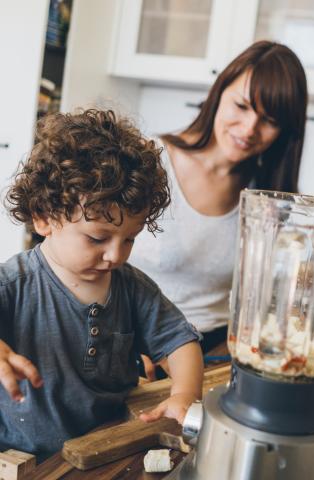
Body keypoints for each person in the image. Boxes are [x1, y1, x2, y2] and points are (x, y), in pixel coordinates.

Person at [0, 109, 204, 457]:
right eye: (98, 239)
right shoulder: (13, 284)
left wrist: (183, 395)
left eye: (129, 239)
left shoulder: (132, 288)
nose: (116, 255)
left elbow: (180, 344)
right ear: (43, 217)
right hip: (22, 457)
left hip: (108, 449)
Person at [128, 40, 308, 376]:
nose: (250, 128)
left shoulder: (270, 200)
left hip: (213, 359)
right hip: (132, 352)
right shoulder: (148, 160)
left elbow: (264, 309)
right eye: (241, 106)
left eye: (268, 120)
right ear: (218, 92)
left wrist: (225, 359)